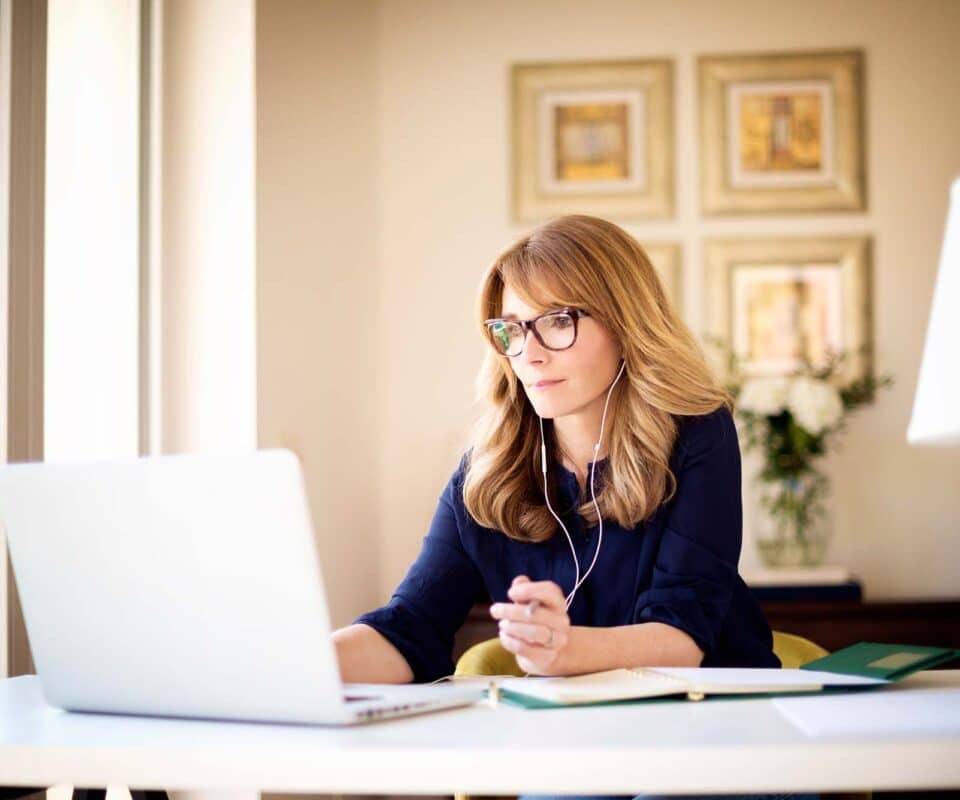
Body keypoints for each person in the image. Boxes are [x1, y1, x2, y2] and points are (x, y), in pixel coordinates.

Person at [333, 215, 815, 800]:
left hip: (716, 735)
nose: (529, 353)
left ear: (624, 321)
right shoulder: (484, 472)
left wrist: (566, 649)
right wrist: (289, 667)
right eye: (512, 328)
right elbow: (410, 628)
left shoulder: (698, 434)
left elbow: (682, 635)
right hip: (578, 751)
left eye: (557, 321)